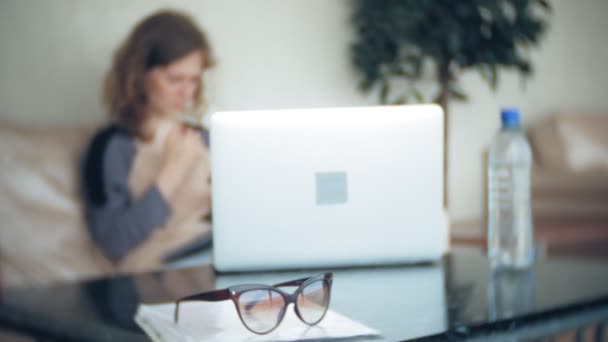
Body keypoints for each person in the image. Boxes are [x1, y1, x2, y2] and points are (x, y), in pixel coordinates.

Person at [81, 9, 214, 272]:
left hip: (211, 258)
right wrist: (174, 169)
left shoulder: (203, 138)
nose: (187, 92)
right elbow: (114, 242)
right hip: (157, 271)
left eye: (194, 80)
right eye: (175, 79)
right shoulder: (110, 147)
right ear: (140, 75)